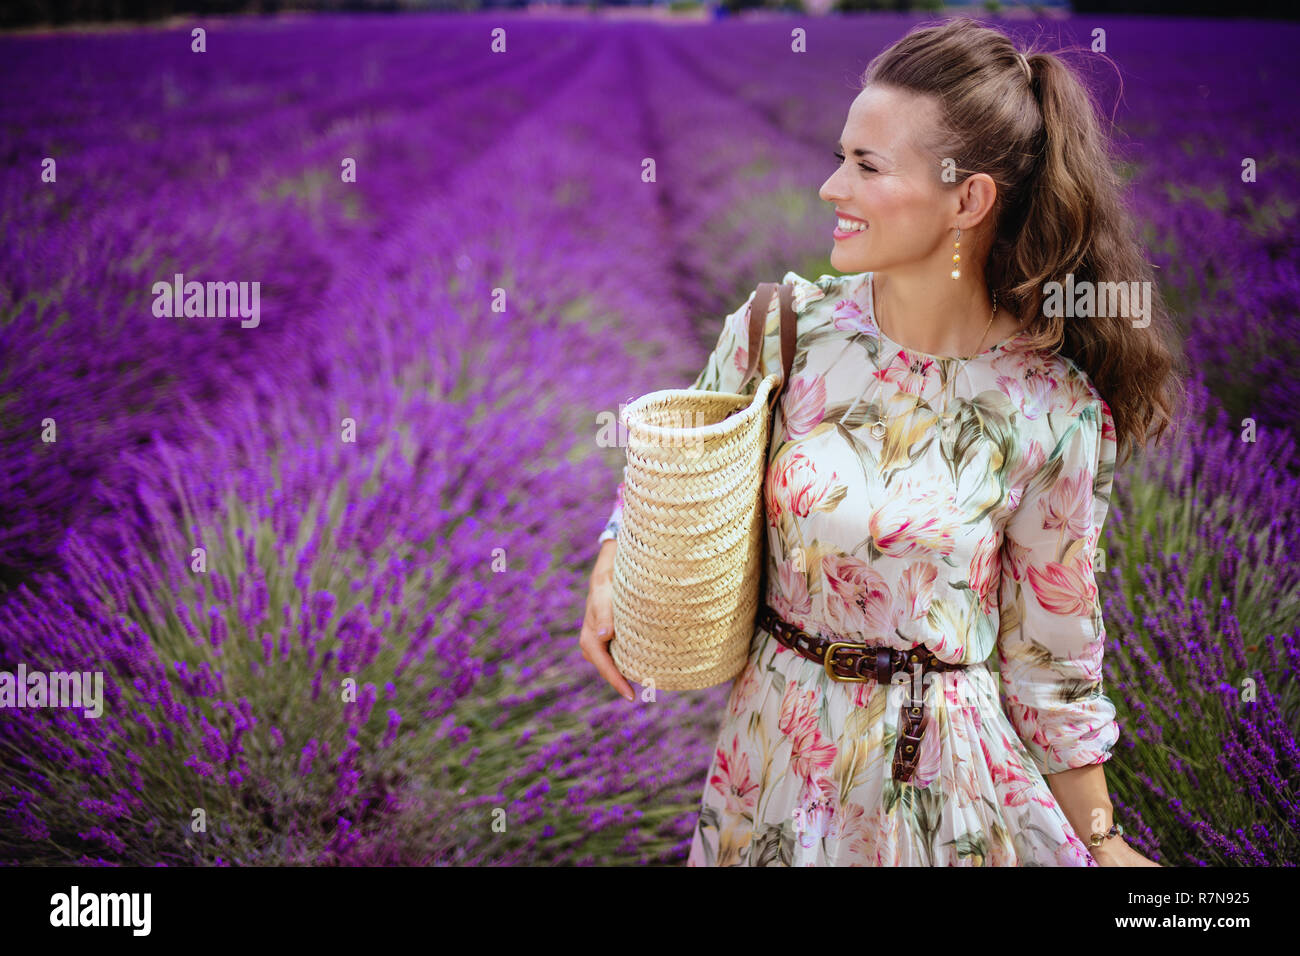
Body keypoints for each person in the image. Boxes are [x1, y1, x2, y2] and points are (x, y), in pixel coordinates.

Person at [579, 17, 1183, 866]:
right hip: (772, 765)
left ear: (967, 200)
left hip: (941, 792)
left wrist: (1104, 839)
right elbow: (674, 480)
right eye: (840, 155)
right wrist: (614, 564)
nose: (831, 187)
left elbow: (1053, 662)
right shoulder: (781, 329)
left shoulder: (1053, 410)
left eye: (866, 165)